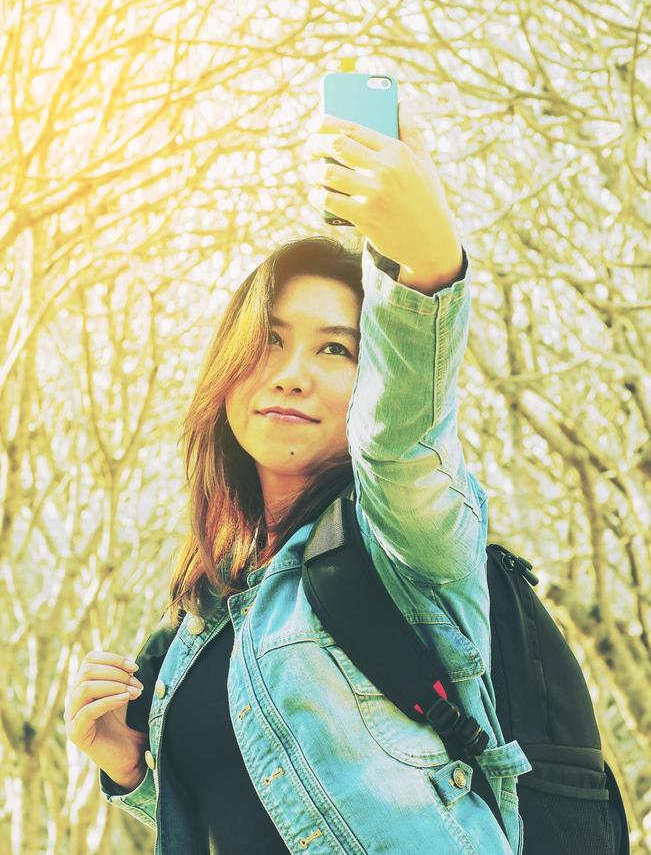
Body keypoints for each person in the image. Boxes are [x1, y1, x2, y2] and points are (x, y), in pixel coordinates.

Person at [64, 104, 531, 853]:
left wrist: (428, 265)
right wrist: (131, 768)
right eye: (270, 340)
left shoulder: (403, 536)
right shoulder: (211, 605)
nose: (290, 375)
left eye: (335, 351)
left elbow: (402, 438)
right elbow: (279, 812)